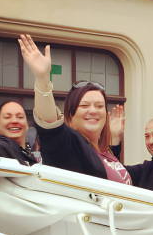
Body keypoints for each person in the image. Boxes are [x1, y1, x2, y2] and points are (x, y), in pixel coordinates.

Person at [18, 34, 129, 184]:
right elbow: (50, 127)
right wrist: (43, 79)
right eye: (84, 105)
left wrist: (114, 139)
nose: (93, 110)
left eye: (99, 106)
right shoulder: (69, 146)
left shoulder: (105, 154)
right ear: (69, 115)